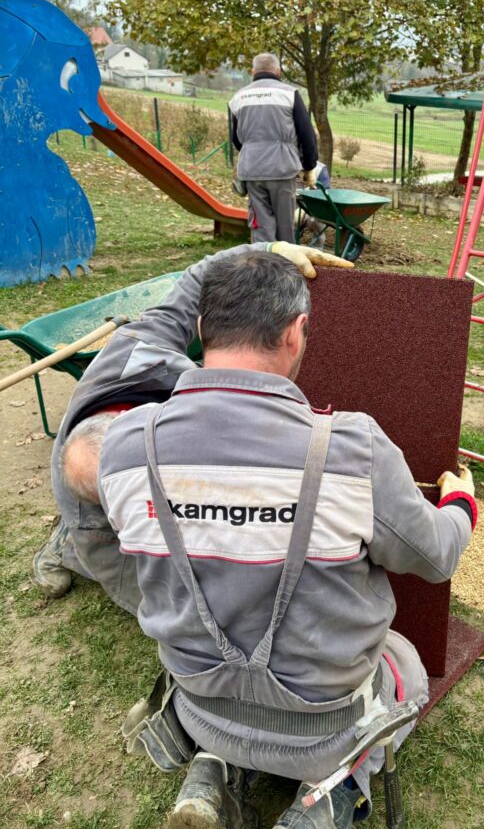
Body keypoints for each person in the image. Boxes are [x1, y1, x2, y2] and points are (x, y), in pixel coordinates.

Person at [58, 252, 477, 829]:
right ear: (295, 333)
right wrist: (461, 504)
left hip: (202, 707)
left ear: (201, 330)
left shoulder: (123, 449)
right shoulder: (351, 449)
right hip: (323, 727)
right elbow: (436, 558)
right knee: (404, 665)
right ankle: (328, 805)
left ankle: (213, 770)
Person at [32, 241, 353, 615]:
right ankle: (69, 547)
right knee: (189, 608)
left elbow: (196, 280)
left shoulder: (142, 345)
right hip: (104, 531)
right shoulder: (102, 495)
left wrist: (268, 247)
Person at [229, 53, 317, 244]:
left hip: (252, 171)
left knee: (261, 227)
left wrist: (253, 151)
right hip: (283, 169)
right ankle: (286, 261)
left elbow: (236, 139)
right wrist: (309, 166)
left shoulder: (239, 97)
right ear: (278, 71)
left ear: (253, 71)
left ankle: (262, 262)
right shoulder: (289, 94)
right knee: (285, 227)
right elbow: (306, 134)